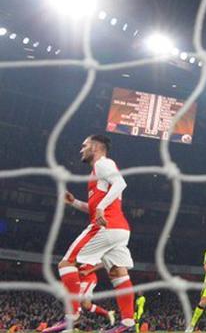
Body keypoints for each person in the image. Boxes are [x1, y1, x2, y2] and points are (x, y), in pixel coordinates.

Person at [46, 135, 136, 333]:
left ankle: (73, 317)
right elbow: (95, 207)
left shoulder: (103, 164)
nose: (81, 150)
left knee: (66, 263)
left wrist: (102, 208)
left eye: (84, 145)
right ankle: (128, 324)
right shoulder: (98, 173)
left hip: (106, 227)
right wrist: (74, 203)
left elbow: (121, 183)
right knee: (118, 273)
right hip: (119, 229)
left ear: (95, 147)